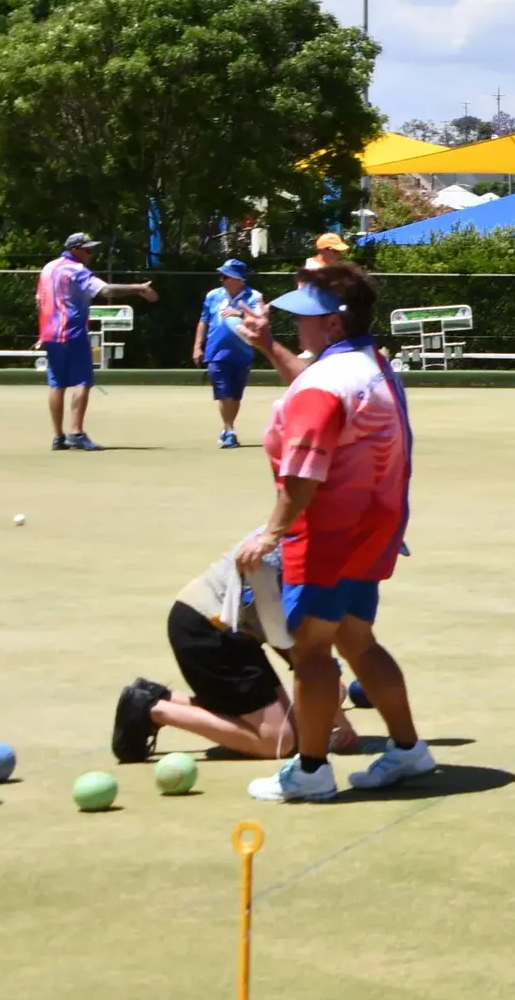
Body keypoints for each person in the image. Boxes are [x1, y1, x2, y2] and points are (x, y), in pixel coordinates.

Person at [235, 264, 433, 802]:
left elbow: (303, 475)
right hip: (375, 526)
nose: (299, 327)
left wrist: (270, 536)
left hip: (326, 532)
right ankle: (410, 749)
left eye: (307, 318)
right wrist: (269, 346)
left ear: (335, 326)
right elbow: (315, 382)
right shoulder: (373, 366)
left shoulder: (324, 384)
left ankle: (312, 770)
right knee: (358, 641)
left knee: (312, 650)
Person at [112, 534, 364, 765]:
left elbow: (292, 641)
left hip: (228, 633)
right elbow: (293, 647)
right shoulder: (293, 558)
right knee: (278, 742)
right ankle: (153, 710)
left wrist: (326, 694)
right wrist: (336, 715)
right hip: (207, 631)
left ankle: (159, 697)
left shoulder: (311, 538)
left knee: (295, 729)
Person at [36, 231, 158, 451]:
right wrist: (137, 288)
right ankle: (76, 433)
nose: (91, 254)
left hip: (51, 334)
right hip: (72, 332)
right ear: (74, 249)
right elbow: (106, 290)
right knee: (82, 381)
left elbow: (40, 301)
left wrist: (42, 332)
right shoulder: (76, 270)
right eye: (87, 249)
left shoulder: (47, 268)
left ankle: (58, 437)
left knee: (57, 384)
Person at [193, 259, 263, 448]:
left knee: (235, 394)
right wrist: (197, 346)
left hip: (242, 351)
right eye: (221, 275)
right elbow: (204, 321)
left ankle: (227, 429)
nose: (221, 279)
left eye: (225, 276)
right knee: (224, 392)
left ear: (237, 279)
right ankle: (230, 430)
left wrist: (239, 314)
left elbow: (260, 319)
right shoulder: (213, 296)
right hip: (216, 351)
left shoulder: (254, 296)